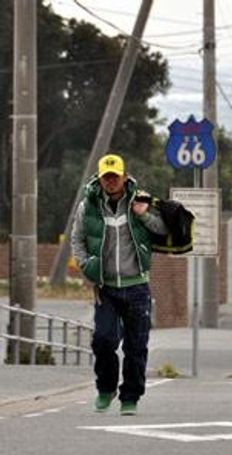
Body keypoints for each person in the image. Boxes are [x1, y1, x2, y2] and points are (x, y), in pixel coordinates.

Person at [70, 153, 168, 416]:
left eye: (115, 176)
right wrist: (85, 264)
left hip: (137, 286)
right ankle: (105, 388)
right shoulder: (88, 206)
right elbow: (77, 240)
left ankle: (130, 397)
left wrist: (145, 215)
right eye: (106, 177)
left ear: (125, 176)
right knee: (103, 339)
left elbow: (162, 230)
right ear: (100, 179)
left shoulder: (142, 200)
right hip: (106, 287)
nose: (111, 181)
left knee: (136, 346)